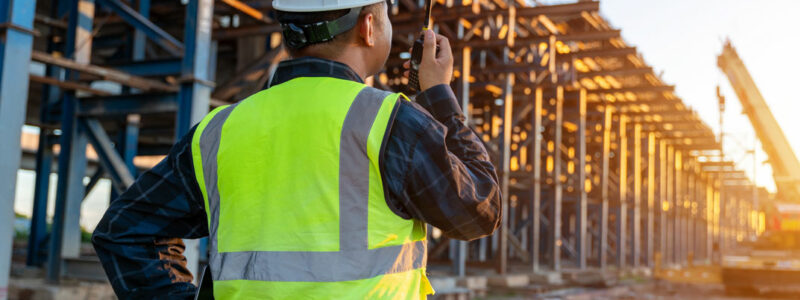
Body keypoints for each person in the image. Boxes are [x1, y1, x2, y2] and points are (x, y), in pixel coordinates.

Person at [91, 0, 501, 298]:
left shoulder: (219, 129)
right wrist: (440, 96)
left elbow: (123, 231)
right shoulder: (392, 122)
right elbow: (478, 213)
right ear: (369, 26)